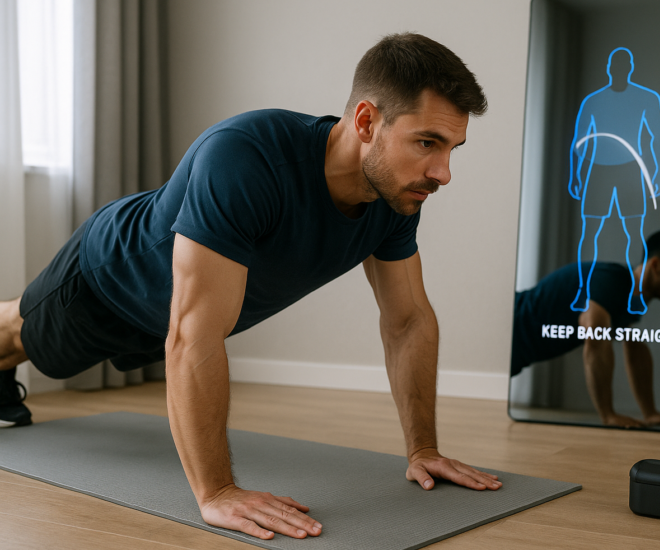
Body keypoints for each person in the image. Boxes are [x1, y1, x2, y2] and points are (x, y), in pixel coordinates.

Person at [0, 33, 502, 541]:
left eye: (451, 148)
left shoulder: (393, 197)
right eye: (426, 143)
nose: (443, 173)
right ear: (367, 121)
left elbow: (408, 320)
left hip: (168, 321)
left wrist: (424, 449)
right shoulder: (248, 157)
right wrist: (216, 493)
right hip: (109, 278)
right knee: (17, 339)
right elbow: (194, 334)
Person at [510, 228, 660, 428]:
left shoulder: (632, 300)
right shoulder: (614, 279)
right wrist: (608, 415)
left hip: (517, 352)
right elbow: (595, 334)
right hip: (506, 324)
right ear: (656, 265)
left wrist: (650, 413)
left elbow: (636, 350)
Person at [568, 47, 660, 315]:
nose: (618, 71)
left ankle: (636, 293)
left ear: (629, 68)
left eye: (623, 66)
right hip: (598, 171)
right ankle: (582, 290)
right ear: (610, 69)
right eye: (615, 66)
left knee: (634, 233)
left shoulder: (646, 98)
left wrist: (659, 173)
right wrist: (575, 175)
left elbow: (658, 137)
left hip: (629, 171)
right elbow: (579, 142)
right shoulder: (594, 101)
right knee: (590, 233)